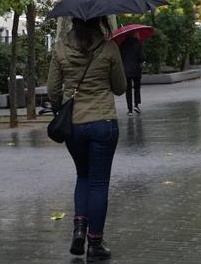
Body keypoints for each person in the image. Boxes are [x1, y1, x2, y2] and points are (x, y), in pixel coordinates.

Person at [47, 17, 127, 261]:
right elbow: (120, 87)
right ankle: (95, 242)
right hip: (103, 123)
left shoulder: (60, 48)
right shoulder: (109, 48)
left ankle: (79, 230)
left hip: (75, 126)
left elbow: (52, 89)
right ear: (99, 21)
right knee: (99, 184)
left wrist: (61, 106)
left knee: (83, 176)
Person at [118, 33, 145, 115]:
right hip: (136, 70)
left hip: (126, 71)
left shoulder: (122, 45)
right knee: (137, 88)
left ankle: (129, 110)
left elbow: (120, 57)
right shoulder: (137, 44)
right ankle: (136, 105)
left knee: (128, 90)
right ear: (134, 35)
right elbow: (142, 57)